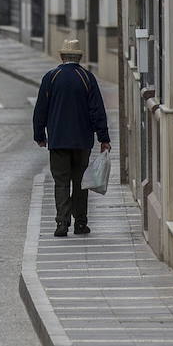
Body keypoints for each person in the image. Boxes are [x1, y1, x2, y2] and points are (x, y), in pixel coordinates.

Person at [33, 39, 110, 237]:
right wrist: (104, 138)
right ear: (79, 58)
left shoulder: (51, 77)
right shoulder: (87, 77)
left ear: (61, 56)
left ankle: (62, 223)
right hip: (82, 141)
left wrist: (40, 135)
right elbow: (97, 110)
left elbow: (40, 110)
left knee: (61, 182)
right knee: (80, 182)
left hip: (58, 140)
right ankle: (81, 223)